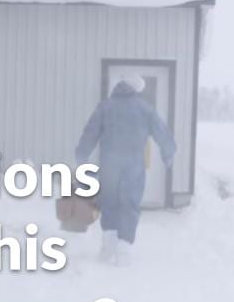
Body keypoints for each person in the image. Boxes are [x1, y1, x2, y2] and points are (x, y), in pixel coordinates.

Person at [75, 74, 177, 265]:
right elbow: (162, 132)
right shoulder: (145, 109)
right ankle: (123, 250)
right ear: (136, 90)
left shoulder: (106, 106)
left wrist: (81, 155)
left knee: (109, 202)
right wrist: (168, 153)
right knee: (130, 204)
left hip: (109, 163)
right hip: (134, 165)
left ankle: (108, 247)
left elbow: (90, 132)